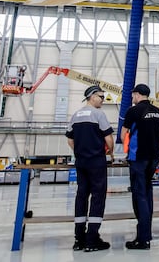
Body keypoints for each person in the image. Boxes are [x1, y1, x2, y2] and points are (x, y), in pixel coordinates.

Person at [66, 85, 114, 252]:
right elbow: (108, 139)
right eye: (101, 96)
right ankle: (92, 239)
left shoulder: (75, 115)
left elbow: (70, 140)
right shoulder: (99, 114)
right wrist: (111, 153)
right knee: (98, 196)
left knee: (81, 196)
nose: (102, 99)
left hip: (81, 161)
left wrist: (79, 152)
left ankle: (79, 239)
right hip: (96, 161)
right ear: (92, 96)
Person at [121, 83, 159, 250]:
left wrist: (125, 146)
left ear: (137, 95)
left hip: (139, 157)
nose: (132, 98)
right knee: (148, 192)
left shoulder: (133, 111)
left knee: (140, 196)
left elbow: (123, 133)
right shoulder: (158, 112)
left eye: (133, 95)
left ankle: (143, 239)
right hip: (154, 158)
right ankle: (147, 234)